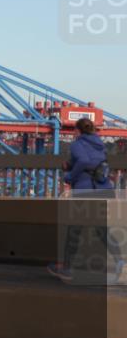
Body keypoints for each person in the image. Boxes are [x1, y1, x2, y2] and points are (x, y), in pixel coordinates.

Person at [47, 118, 124, 283]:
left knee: (74, 229)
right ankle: (121, 262)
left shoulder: (77, 144)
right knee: (102, 230)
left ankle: (66, 268)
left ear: (77, 131)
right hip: (103, 190)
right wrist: (70, 165)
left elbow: (84, 161)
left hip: (86, 190)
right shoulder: (99, 144)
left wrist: (69, 176)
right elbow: (93, 162)